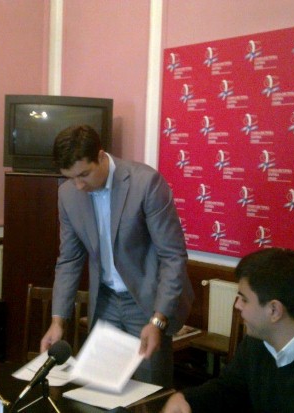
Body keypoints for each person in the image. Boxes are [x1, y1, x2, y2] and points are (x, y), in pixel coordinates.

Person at [40, 125, 194, 387]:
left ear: (101, 156)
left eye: (84, 174)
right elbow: (69, 260)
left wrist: (158, 320)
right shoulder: (67, 194)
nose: (78, 185)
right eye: (70, 177)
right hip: (106, 301)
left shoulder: (145, 183)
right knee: (100, 386)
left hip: (147, 302)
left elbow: (173, 256)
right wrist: (58, 321)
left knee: (149, 390)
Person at [162, 248, 294, 413]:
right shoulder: (258, 340)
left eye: (244, 299)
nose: (237, 305)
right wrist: (186, 400)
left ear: (274, 311)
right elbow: (229, 389)